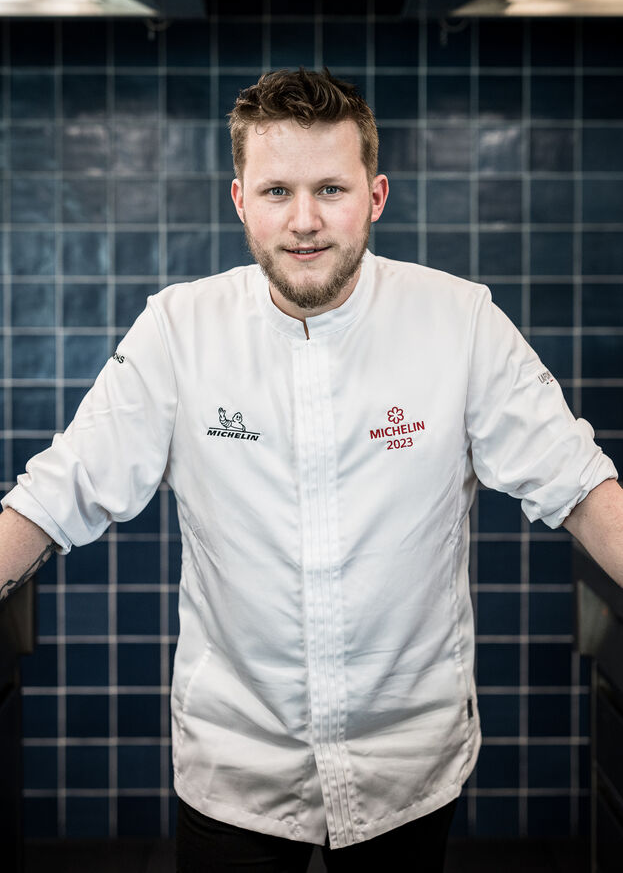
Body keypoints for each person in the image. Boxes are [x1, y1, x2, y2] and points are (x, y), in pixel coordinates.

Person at [1, 67, 622, 873]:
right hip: (236, 762)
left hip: (406, 759)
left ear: (375, 195)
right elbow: (59, 492)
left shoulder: (459, 321)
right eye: (276, 192)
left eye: (330, 188)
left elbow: (578, 485)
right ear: (239, 201)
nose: (303, 221)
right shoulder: (179, 329)